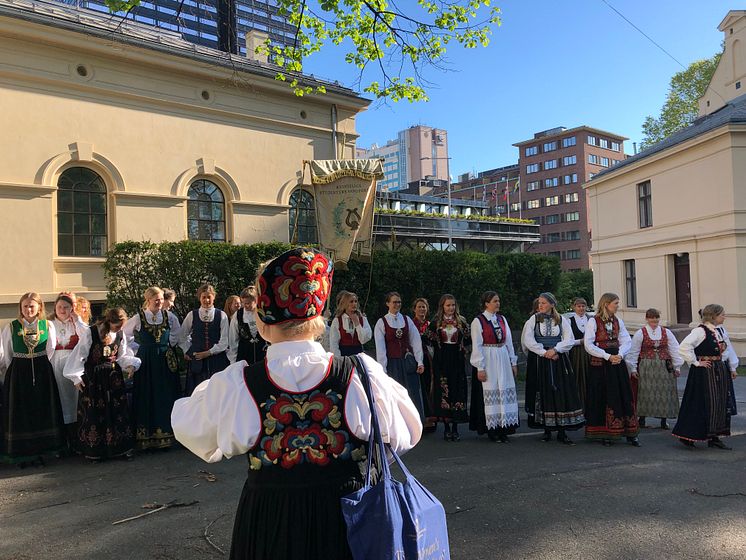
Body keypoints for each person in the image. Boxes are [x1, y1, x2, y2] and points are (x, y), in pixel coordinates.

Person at [171, 247, 422, 560]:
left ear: (261, 323)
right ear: (320, 318)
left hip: (268, 527)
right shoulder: (360, 374)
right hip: (347, 522)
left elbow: (187, 427)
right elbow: (408, 432)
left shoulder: (239, 384)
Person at [64, 307, 140, 461]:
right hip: (94, 378)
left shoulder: (120, 334)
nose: (119, 329)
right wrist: (76, 377)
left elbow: (122, 355)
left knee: (117, 411)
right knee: (95, 412)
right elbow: (80, 355)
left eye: (121, 326)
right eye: (116, 325)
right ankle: (95, 451)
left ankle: (119, 448)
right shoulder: (92, 332)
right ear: (109, 321)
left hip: (113, 378)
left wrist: (130, 365)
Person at [0, 293, 65, 465]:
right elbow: (7, 353)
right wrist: (17, 368)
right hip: (19, 372)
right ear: (20, 308)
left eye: (32, 306)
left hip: (42, 369)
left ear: (39, 307)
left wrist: (40, 362)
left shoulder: (47, 325)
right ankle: (23, 453)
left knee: (42, 408)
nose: (28, 310)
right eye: (25, 306)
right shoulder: (11, 327)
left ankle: (43, 451)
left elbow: (50, 348)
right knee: (22, 410)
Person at [521, 292, 585, 444]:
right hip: (540, 360)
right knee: (543, 392)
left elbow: (569, 339)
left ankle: (562, 431)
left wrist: (555, 350)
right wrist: (545, 352)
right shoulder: (533, 319)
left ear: (552, 304)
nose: (540, 305)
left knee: (560, 392)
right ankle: (547, 430)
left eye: (543, 303)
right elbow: (527, 340)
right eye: (539, 303)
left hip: (558, 360)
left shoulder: (562, 319)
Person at [123, 287, 182, 450]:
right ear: (148, 300)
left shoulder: (169, 316)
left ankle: (167, 435)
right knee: (147, 393)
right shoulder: (139, 317)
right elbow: (125, 336)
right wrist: (135, 352)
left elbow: (178, 332)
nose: (159, 302)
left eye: (161, 299)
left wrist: (169, 344)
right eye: (156, 299)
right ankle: (146, 437)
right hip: (146, 359)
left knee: (165, 393)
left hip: (164, 359)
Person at [673, 304, 736, 450]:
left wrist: (732, 367)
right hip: (704, 372)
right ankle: (688, 435)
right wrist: (695, 362)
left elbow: (726, 351)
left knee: (719, 403)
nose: (724, 317)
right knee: (701, 403)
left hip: (719, 370)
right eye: (722, 314)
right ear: (713, 316)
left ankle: (714, 436)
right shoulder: (700, 331)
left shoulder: (719, 331)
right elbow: (683, 347)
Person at [584, 293, 640, 447]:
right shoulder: (593, 322)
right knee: (603, 395)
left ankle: (629, 432)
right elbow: (588, 344)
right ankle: (604, 432)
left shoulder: (618, 321)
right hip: (601, 363)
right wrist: (606, 356)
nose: (617, 305)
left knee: (623, 394)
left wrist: (620, 354)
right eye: (615, 303)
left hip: (616, 361)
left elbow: (626, 340)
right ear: (606, 304)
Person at [469, 291, 519, 443]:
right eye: (494, 301)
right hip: (488, 357)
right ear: (486, 303)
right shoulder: (478, 321)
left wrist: (513, 361)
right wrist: (480, 367)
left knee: (504, 389)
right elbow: (477, 345)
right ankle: (492, 429)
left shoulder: (502, 319)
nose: (498, 303)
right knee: (491, 391)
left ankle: (504, 427)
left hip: (502, 356)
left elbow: (509, 341)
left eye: (498, 300)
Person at [624, 308, 683, 430]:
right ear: (647, 318)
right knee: (645, 391)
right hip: (646, 366)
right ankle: (642, 418)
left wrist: (677, 366)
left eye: (656, 318)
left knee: (665, 391)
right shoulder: (641, 333)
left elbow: (674, 349)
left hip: (664, 365)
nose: (654, 320)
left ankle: (664, 419)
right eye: (651, 318)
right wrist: (633, 368)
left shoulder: (666, 332)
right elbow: (634, 351)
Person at [374, 291, 426, 420]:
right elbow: (380, 348)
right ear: (387, 303)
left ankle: (415, 422)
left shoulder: (407, 319)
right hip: (393, 364)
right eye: (394, 302)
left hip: (407, 362)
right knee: (395, 393)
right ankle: (398, 422)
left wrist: (419, 361)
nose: (397, 304)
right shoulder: (382, 323)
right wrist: (383, 369)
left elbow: (416, 341)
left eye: (399, 302)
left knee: (412, 393)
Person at [428, 294, 470, 442]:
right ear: (442, 307)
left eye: (453, 305)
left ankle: (456, 427)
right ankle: (446, 428)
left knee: (457, 391)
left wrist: (464, 351)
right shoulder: (436, 323)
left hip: (457, 360)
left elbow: (468, 339)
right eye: (448, 305)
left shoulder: (462, 322)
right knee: (444, 391)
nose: (451, 308)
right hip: (442, 360)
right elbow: (428, 340)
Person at [179, 284, 230, 395]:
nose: (206, 300)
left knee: (217, 392)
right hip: (197, 360)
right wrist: (188, 351)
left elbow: (225, 341)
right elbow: (182, 336)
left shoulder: (221, 315)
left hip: (217, 360)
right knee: (197, 392)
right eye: (204, 297)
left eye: (209, 297)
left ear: (214, 297)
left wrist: (209, 352)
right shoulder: (192, 315)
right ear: (199, 298)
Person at [49, 292, 90, 429]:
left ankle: (75, 429)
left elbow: (87, 338)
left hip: (73, 362)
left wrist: (77, 321)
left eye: (66, 307)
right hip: (54, 363)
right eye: (60, 307)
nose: (62, 310)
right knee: (57, 396)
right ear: (55, 307)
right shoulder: (49, 324)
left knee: (74, 397)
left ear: (72, 308)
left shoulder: (77, 323)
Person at [411, 298, 436, 432]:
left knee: (429, 387)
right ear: (414, 309)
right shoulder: (410, 324)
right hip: (416, 359)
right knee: (418, 388)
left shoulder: (430, 325)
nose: (422, 309)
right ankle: (420, 418)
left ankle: (431, 417)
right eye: (419, 307)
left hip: (429, 359)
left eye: (424, 307)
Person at [227, 286, 268, 365]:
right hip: (244, 356)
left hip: (262, 354)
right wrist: (233, 360)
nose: (245, 305)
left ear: (255, 301)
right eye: (243, 303)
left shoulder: (263, 313)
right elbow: (233, 339)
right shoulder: (238, 315)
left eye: (248, 303)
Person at [329, 290, 372, 357]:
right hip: (343, 356)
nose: (354, 304)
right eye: (351, 301)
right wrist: (339, 360)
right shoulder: (337, 320)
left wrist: (357, 323)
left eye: (355, 301)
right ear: (345, 303)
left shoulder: (362, 319)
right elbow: (333, 343)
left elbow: (364, 339)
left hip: (358, 355)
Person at [568, 298, 591, 405]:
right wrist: (580, 342)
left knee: (590, 376)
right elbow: (568, 340)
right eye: (579, 306)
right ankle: (578, 403)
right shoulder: (569, 321)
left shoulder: (591, 320)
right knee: (577, 376)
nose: (581, 308)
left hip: (590, 352)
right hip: (576, 353)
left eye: (583, 306)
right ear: (574, 307)